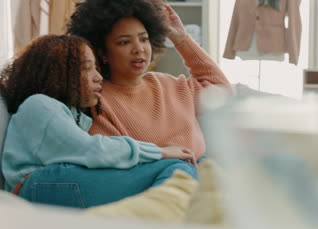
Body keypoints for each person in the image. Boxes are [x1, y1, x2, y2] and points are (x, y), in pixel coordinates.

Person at [0, 35, 199, 208]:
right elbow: (91, 150)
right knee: (176, 169)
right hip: (34, 187)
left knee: (186, 167)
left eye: (96, 68)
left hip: (49, 184)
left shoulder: (70, 114)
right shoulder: (39, 105)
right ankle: (159, 226)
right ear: (58, 73)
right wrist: (160, 152)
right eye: (87, 68)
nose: (98, 77)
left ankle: (154, 222)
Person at [67, 0, 234, 161]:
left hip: (198, 179)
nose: (139, 49)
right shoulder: (97, 99)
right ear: (102, 53)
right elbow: (113, 157)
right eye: (124, 42)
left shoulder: (172, 85)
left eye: (144, 39)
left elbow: (222, 92)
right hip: (155, 185)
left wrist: (181, 39)